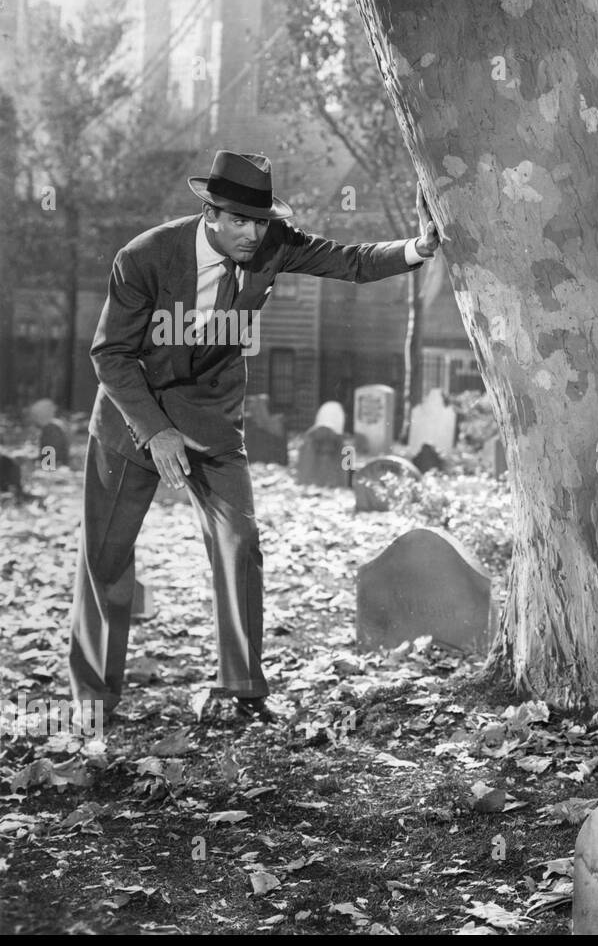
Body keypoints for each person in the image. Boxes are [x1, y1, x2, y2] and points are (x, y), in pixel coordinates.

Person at [69, 150, 442, 723]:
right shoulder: (144, 257)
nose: (252, 234)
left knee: (239, 543)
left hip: (212, 419)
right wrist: (156, 431)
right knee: (106, 557)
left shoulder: (271, 243)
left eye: (260, 220)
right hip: (131, 418)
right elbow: (110, 354)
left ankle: (240, 689)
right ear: (210, 213)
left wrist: (417, 248)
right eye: (240, 220)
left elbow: (351, 261)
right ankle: (93, 702)